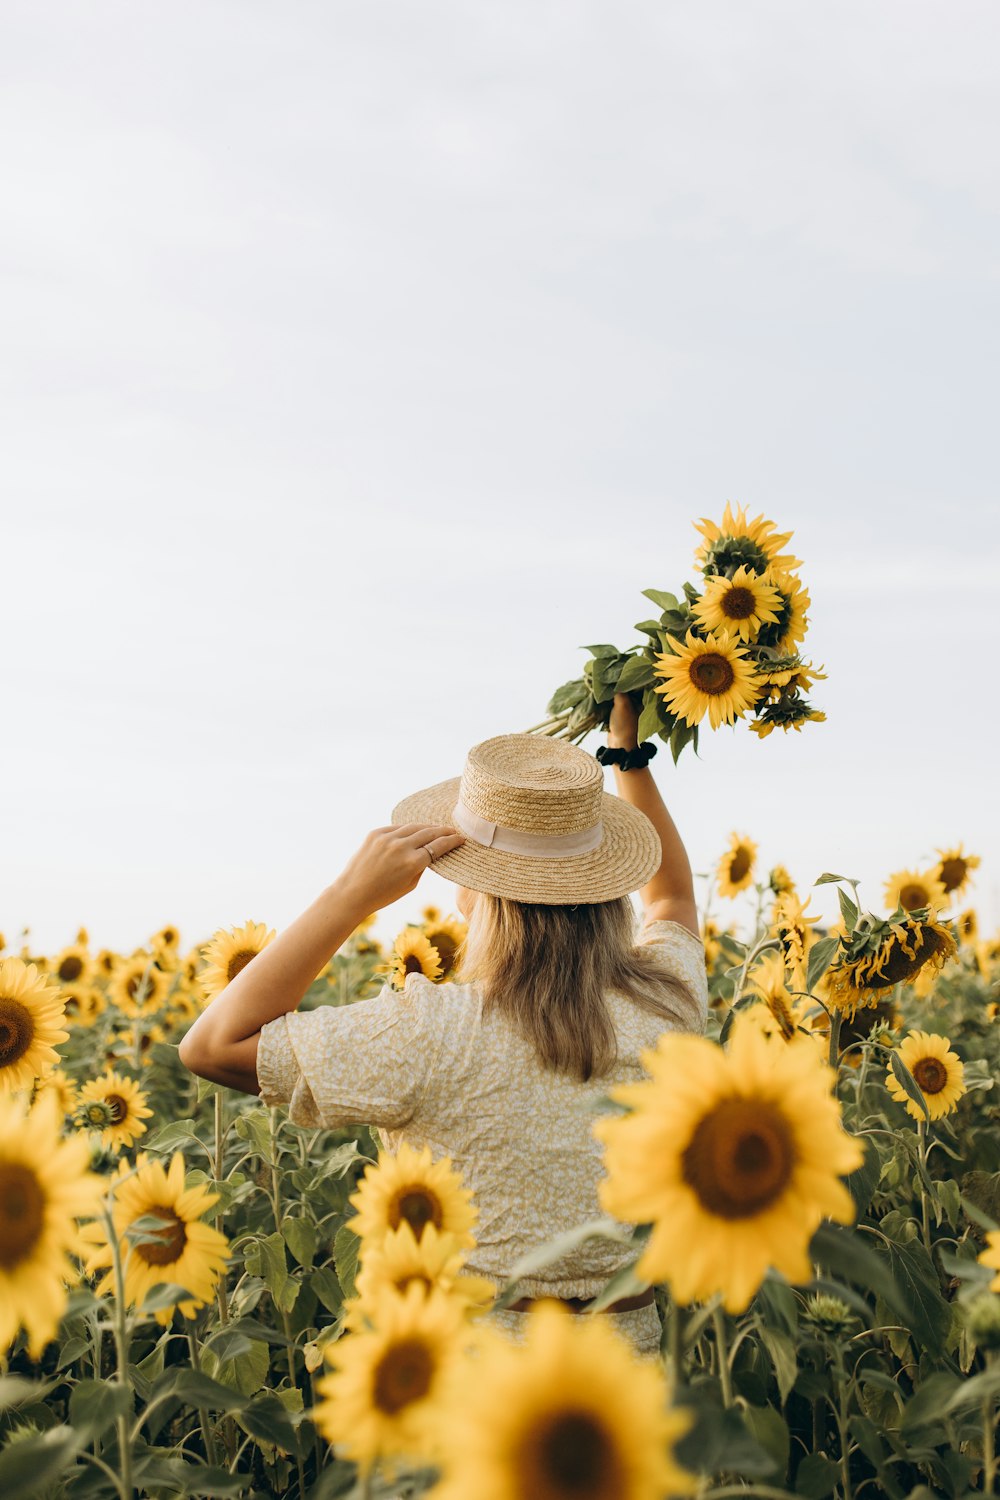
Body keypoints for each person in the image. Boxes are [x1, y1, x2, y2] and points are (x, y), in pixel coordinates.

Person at [179, 695, 708, 1358]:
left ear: (485, 897)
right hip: (623, 1379)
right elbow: (673, 896)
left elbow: (211, 1045)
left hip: (475, 1375)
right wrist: (627, 753)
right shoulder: (666, 1004)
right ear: (605, 887)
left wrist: (350, 896)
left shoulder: (432, 1031)